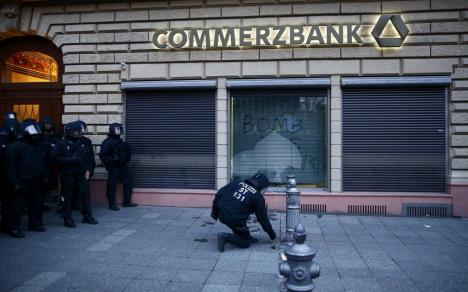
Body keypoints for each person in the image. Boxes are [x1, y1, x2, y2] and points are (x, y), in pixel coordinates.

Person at [211, 173, 276, 252]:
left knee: (240, 222)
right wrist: (271, 234)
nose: (265, 191)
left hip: (221, 212)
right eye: (265, 189)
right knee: (245, 243)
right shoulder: (257, 196)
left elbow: (219, 194)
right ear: (262, 186)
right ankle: (225, 237)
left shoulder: (236, 183)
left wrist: (214, 213)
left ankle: (245, 235)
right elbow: (263, 219)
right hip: (233, 218)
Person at [52, 121, 98, 228]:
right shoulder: (62, 143)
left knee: (85, 196)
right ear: (70, 131)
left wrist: (89, 171)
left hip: (82, 174)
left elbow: (90, 159)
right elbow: (54, 158)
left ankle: (87, 216)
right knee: (67, 197)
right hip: (68, 174)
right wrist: (69, 160)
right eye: (77, 131)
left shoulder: (86, 142)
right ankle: (67, 218)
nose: (80, 133)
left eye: (80, 131)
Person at [4, 119, 46, 238]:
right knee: (17, 206)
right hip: (21, 180)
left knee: (36, 204)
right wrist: (14, 182)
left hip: (36, 180)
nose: (35, 133)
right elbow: (9, 167)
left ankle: (35, 223)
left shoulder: (37, 145)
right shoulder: (14, 147)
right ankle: (14, 228)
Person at [99, 123, 137, 211]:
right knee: (112, 185)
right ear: (112, 130)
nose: (119, 132)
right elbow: (102, 155)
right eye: (117, 130)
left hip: (122, 166)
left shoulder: (120, 141)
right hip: (113, 167)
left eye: (120, 130)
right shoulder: (107, 142)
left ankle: (127, 202)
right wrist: (112, 159)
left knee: (128, 182)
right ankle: (112, 204)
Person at [0, 114, 20, 233]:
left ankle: (10, 225)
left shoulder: (18, 140)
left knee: (11, 204)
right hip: (4, 175)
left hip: (13, 176)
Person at [39, 116, 62, 212]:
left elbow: (57, 142)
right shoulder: (39, 132)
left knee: (47, 179)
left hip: (50, 160)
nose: (48, 126)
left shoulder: (55, 133)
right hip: (41, 160)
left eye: (49, 124)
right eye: (46, 124)